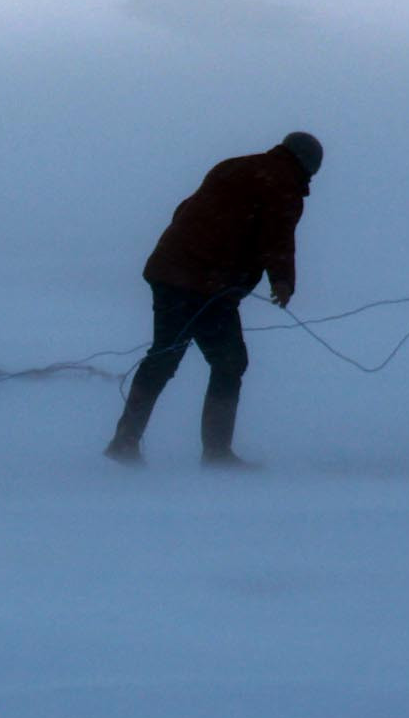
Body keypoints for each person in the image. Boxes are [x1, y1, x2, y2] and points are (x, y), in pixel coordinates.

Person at [105, 130, 323, 467]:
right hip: (205, 283)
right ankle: (216, 453)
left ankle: (125, 441)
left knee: (164, 357)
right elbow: (277, 236)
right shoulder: (282, 185)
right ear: (307, 166)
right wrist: (282, 280)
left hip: (171, 270)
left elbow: (186, 209)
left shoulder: (235, 166)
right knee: (228, 362)